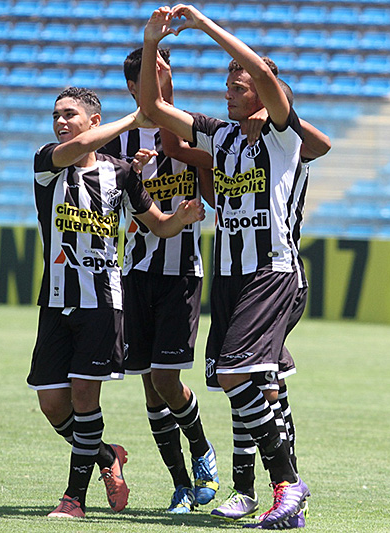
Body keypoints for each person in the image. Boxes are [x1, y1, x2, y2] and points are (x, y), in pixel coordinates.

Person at [140, 5, 314, 528]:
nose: (228, 92)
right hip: (232, 276)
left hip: (273, 270)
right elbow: (151, 106)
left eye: (237, 86)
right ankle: (251, 492)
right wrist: (152, 42)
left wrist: (206, 27)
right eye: (227, 85)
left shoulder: (285, 135)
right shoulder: (221, 136)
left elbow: (261, 73)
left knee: (238, 371)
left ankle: (288, 484)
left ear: (264, 93)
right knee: (250, 385)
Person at [28, 86, 205, 519]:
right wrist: (134, 119)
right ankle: (108, 457)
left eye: (70, 115)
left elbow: (157, 225)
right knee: (53, 404)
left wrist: (178, 220)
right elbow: (81, 148)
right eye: (56, 115)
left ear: (92, 119)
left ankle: (74, 499)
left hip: (104, 304)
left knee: (86, 397)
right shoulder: (47, 162)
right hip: (56, 301)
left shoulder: (122, 174)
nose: (61, 122)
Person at [98, 47, 219, 514]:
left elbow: (214, 187)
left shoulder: (192, 129)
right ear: (135, 86)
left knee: (167, 378)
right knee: (149, 385)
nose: (161, 80)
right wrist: (135, 176)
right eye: (152, 73)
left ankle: (202, 446)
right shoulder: (117, 145)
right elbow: (106, 212)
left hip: (181, 272)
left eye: (167, 71)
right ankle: (182, 485)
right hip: (134, 274)